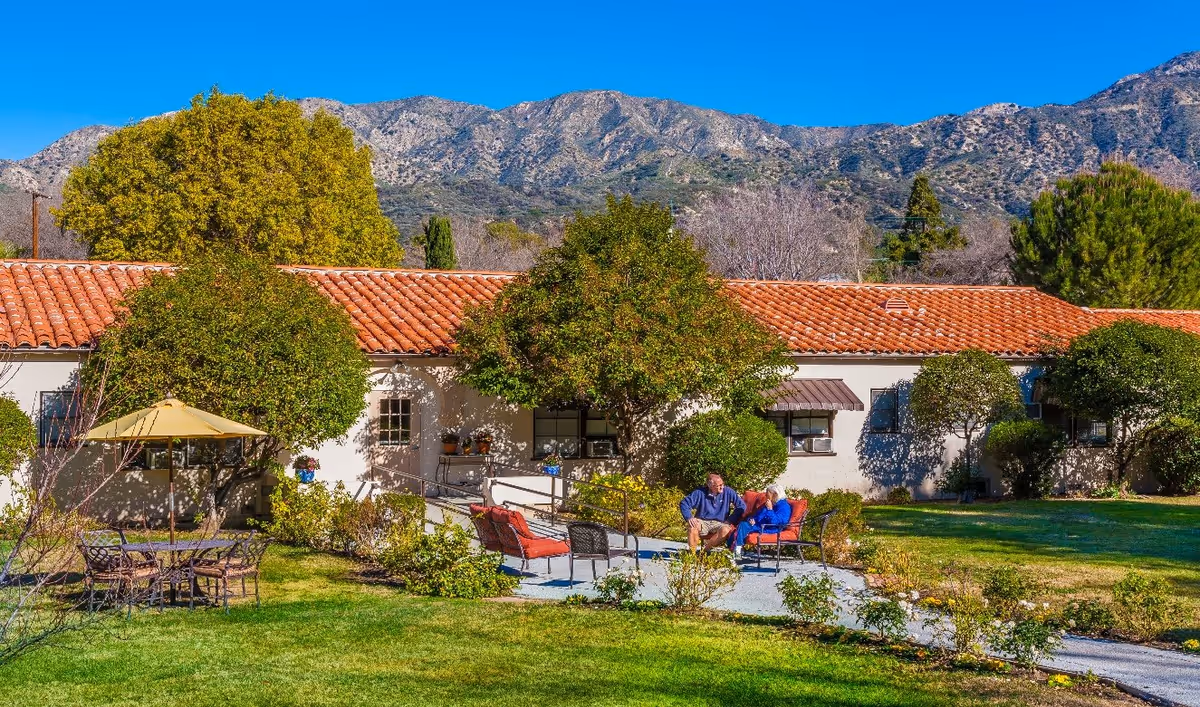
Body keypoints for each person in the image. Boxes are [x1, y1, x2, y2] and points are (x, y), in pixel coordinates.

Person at [679, 473, 745, 551]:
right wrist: (689, 517)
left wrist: (730, 520)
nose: (722, 487)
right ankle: (692, 555)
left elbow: (741, 506)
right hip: (702, 521)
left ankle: (705, 551)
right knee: (692, 527)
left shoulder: (728, 492)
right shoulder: (700, 492)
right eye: (719, 485)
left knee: (726, 530)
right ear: (710, 485)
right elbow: (684, 503)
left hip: (720, 522)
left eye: (722, 484)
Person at [730, 484, 791, 558]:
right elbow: (757, 516)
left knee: (743, 526)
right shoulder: (770, 503)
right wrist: (752, 520)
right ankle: (731, 551)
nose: (766, 496)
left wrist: (770, 510)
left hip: (770, 528)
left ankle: (737, 551)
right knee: (740, 527)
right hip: (759, 526)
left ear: (775, 494)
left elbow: (776, 523)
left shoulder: (784, 507)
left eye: (767, 494)